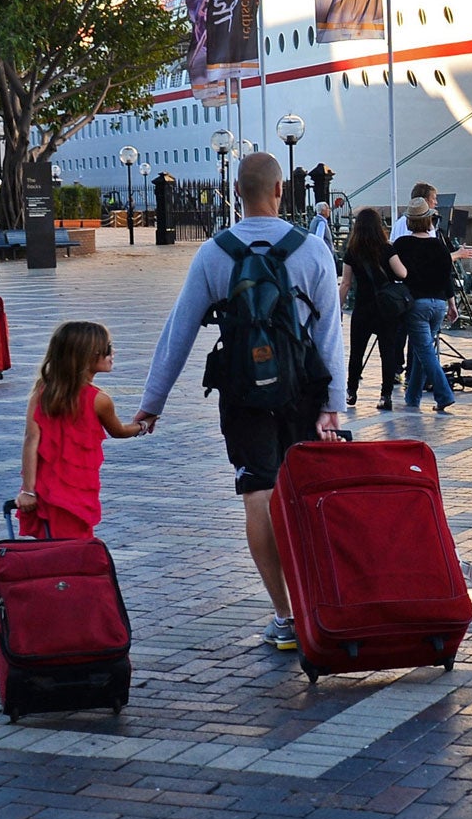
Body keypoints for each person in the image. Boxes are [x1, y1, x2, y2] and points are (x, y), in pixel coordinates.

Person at [138, 153, 346, 650]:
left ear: (237, 193)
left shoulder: (213, 253)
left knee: (259, 492)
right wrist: (332, 405)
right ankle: (320, 602)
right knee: (310, 494)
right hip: (303, 390)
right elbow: (330, 336)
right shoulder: (313, 250)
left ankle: (284, 615)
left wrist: (153, 400)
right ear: (280, 190)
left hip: (243, 389)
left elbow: (181, 329)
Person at [16, 321, 148, 538]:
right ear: (87, 355)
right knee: (74, 549)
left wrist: (28, 490)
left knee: (51, 548)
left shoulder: (42, 392)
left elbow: (31, 441)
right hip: (78, 488)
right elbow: (119, 431)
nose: (112, 353)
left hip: (46, 487)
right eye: (107, 349)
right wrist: (143, 425)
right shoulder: (99, 400)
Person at [391, 200, 458, 413]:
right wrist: (452, 304)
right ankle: (413, 397)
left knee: (425, 351)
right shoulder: (439, 244)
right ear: (429, 219)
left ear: (410, 221)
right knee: (423, 349)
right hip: (438, 304)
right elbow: (448, 277)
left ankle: (444, 394)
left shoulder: (401, 244)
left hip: (416, 304)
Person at [340, 206, 407, 411]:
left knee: (357, 352)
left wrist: (337, 308)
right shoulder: (387, 249)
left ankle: (351, 392)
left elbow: (346, 283)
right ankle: (385, 395)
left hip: (363, 308)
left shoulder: (352, 251)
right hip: (386, 309)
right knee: (387, 352)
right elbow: (402, 273)